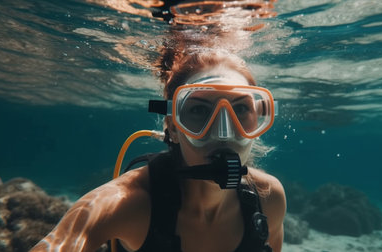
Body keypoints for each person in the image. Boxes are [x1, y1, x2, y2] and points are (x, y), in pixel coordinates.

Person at [31, 49, 286, 252]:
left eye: (241, 109)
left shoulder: (269, 199)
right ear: (173, 127)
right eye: (198, 110)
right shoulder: (128, 202)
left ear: (259, 120)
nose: (224, 132)